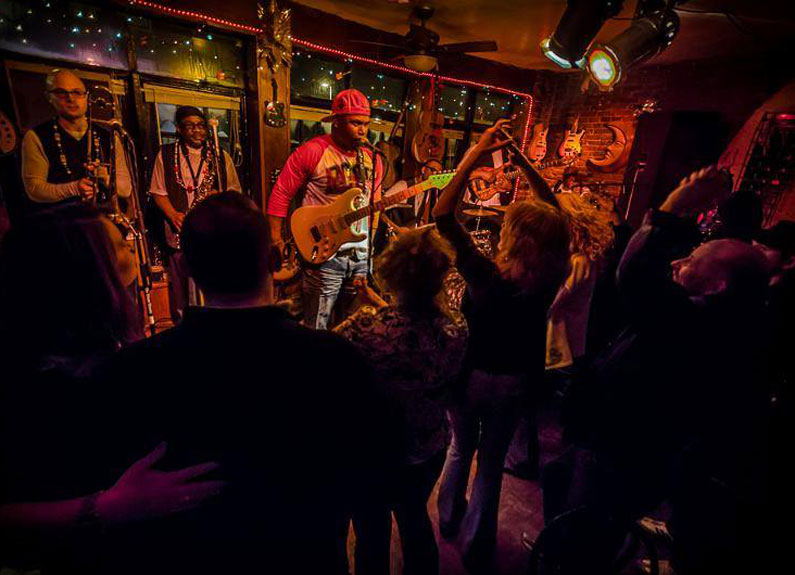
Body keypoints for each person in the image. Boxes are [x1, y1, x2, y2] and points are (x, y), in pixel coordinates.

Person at [99, 192, 398, 574]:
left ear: (186, 268)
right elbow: (374, 491)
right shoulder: (339, 360)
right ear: (274, 261)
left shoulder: (134, 370)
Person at [542, 167, 771, 574]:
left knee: (582, 534)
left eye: (693, 260)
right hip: (627, 450)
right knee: (567, 493)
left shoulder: (696, 322)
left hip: (619, 451)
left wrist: (673, 206)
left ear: (717, 286)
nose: (679, 261)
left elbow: (634, 276)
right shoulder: (723, 318)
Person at [432, 119, 570, 573]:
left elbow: (442, 214)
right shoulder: (553, 273)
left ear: (512, 236)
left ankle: (449, 520)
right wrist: (526, 163)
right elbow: (556, 216)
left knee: (458, 448)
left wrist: (477, 151)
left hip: (471, 378)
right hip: (516, 382)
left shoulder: (485, 276)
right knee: (491, 465)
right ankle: (476, 546)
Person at [335, 228, 468, 575]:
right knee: (414, 519)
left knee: (371, 532)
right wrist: (379, 304)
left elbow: (330, 355)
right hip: (427, 445)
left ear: (389, 275)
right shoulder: (456, 329)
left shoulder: (364, 330)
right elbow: (414, 324)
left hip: (373, 450)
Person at [267, 89, 384, 329]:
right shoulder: (313, 151)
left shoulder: (374, 158)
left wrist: (369, 243)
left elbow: (375, 202)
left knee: (351, 322)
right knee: (317, 322)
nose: (363, 130)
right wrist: (275, 237)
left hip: (359, 252)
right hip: (325, 249)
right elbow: (281, 192)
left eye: (366, 124)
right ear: (336, 123)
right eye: (355, 123)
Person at [148, 105, 242, 323]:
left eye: (200, 125)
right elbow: (158, 192)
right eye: (189, 126)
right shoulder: (166, 154)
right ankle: (185, 327)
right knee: (183, 291)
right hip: (180, 232)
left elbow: (235, 191)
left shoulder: (220, 156)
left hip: (212, 234)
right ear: (179, 129)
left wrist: (221, 198)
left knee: (212, 285)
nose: (197, 131)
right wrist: (173, 214)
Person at [21, 69, 131, 211]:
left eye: (77, 93)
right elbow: (34, 189)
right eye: (62, 93)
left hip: (104, 222)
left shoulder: (109, 136)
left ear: (86, 97)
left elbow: (126, 189)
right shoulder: (36, 136)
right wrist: (74, 188)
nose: (71, 99)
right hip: (62, 224)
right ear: (49, 97)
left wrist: (107, 178)